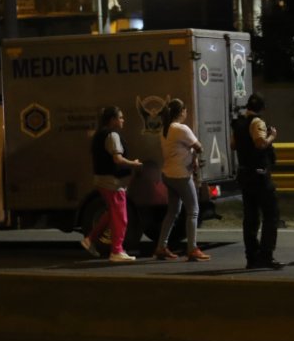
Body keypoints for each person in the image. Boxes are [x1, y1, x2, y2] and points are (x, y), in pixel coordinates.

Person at [81, 106, 143, 262]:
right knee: (121, 217)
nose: (123, 120)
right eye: (120, 117)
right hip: (112, 182)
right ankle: (116, 251)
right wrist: (134, 164)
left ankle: (89, 239)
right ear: (113, 120)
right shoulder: (112, 135)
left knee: (111, 214)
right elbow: (118, 159)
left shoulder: (100, 134)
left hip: (102, 180)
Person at [155, 98, 210, 262]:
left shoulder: (165, 129)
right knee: (193, 210)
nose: (187, 113)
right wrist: (194, 158)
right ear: (181, 112)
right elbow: (199, 146)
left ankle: (161, 246)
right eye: (185, 110)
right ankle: (192, 249)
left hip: (167, 175)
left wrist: (190, 156)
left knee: (172, 212)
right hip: (181, 176)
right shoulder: (181, 128)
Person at [232, 93, 283, 269]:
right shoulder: (257, 123)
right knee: (271, 215)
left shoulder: (238, 124)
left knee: (251, 218)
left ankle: (251, 257)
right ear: (262, 108)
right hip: (260, 175)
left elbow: (233, 145)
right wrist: (272, 136)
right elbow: (260, 144)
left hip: (245, 174)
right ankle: (266, 255)